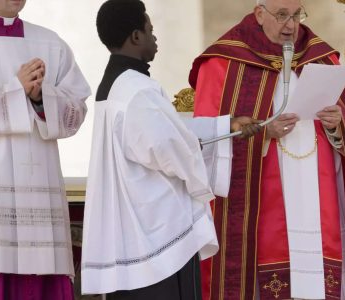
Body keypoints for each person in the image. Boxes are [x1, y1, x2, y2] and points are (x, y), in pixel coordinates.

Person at [189, 0, 345, 299]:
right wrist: (263, 133)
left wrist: (337, 127)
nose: (291, 25)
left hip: (318, 197)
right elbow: (205, 141)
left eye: (296, 15)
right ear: (259, 13)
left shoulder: (321, 58)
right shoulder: (225, 61)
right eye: (282, 16)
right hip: (264, 206)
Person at [80, 1, 261, 299]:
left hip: (133, 230)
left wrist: (226, 126)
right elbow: (167, 147)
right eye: (151, 30)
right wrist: (195, 162)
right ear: (136, 36)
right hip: (154, 237)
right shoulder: (137, 89)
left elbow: (170, 132)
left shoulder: (117, 84)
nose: (155, 38)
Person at [0, 0, 90, 298]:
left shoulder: (49, 42)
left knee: (43, 270)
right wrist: (15, 88)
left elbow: (77, 109)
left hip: (41, 182)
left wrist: (41, 97)